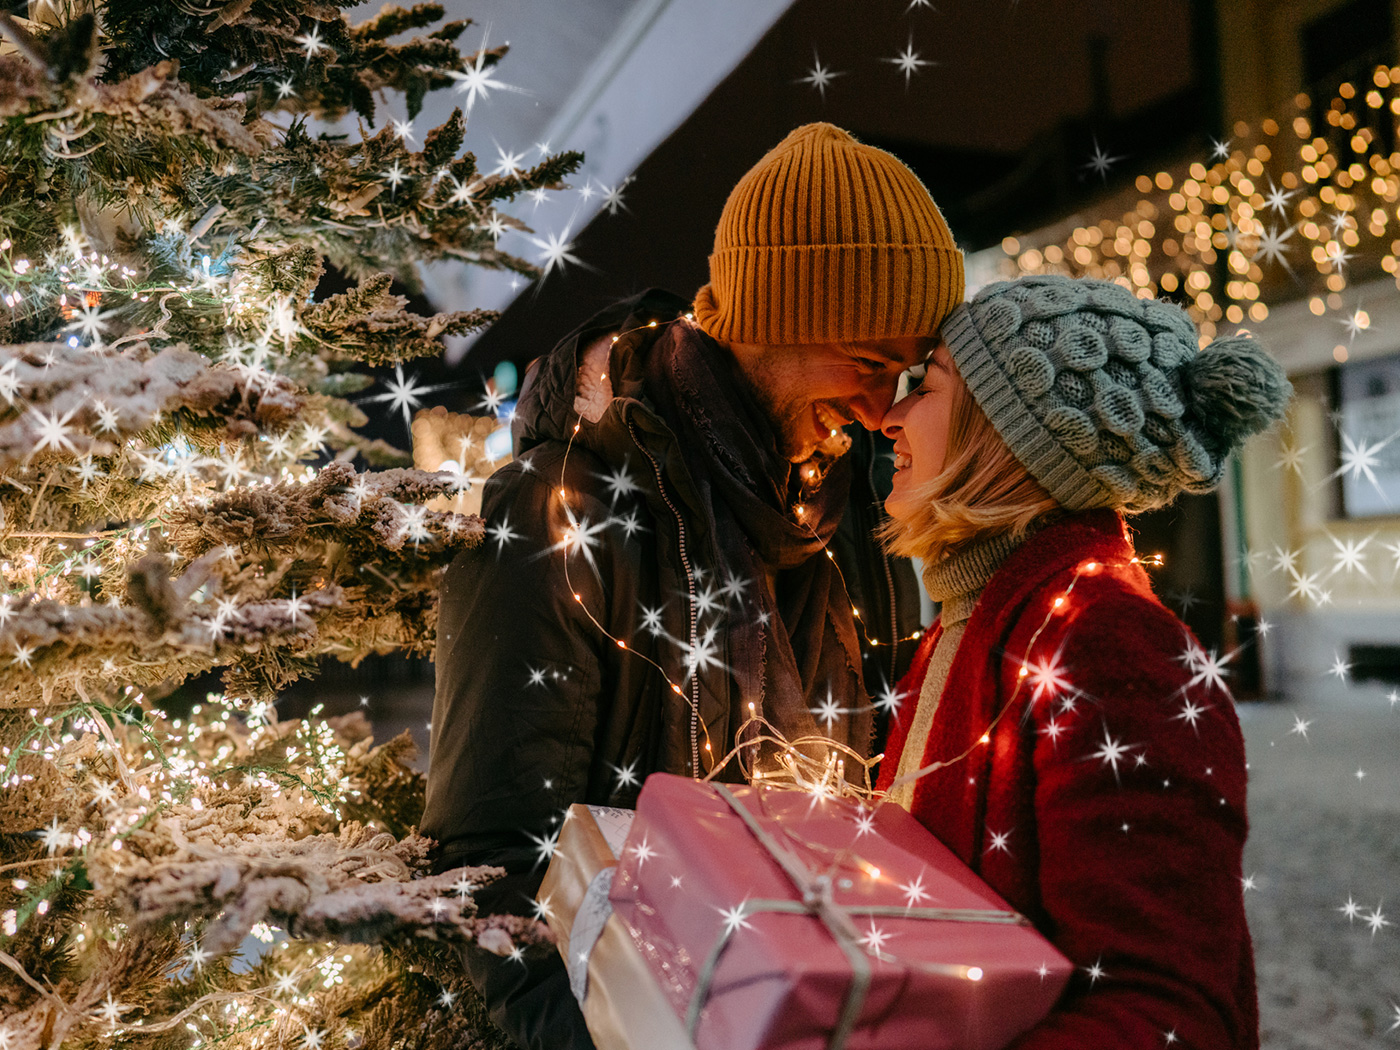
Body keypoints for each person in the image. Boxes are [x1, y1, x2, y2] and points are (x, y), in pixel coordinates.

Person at [423, 122, 964, 1049]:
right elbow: (487, 866)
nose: (882, 412)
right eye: (868, 362)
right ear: (770, 319)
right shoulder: (560, 510)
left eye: (906, 371)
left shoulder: (848, 531)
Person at [875, 273, 1290, 1048]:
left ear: (1006, 430)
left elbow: (1167, 1016)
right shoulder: (969, 623)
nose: (889, 419)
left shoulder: (1110, 646)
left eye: (925, 388)